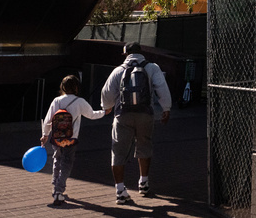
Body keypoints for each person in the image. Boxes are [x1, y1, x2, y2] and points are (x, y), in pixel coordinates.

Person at [100, 42, 172, 205]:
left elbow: (107, 94)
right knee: (144, 145)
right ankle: (144, 183)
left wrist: (107, 107)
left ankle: (120, 190)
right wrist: (166, 108)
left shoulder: (118, 70)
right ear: (141, 53)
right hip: (145, 115)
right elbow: (162, 88)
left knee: (118, 151)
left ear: (126, 54)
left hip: (122, 116)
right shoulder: (152, 67)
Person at [40, 75, 111, 207]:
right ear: (77, 87)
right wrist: (104, 112)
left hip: (56, 139)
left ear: (62, 87)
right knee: (67, 163)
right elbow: (91, 115)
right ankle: (59, 191)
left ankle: (55, 188)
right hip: (71, 139)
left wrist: (45, 135)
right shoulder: (80, 101)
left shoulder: (56, 101)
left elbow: (48, 120)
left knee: (57, 161)